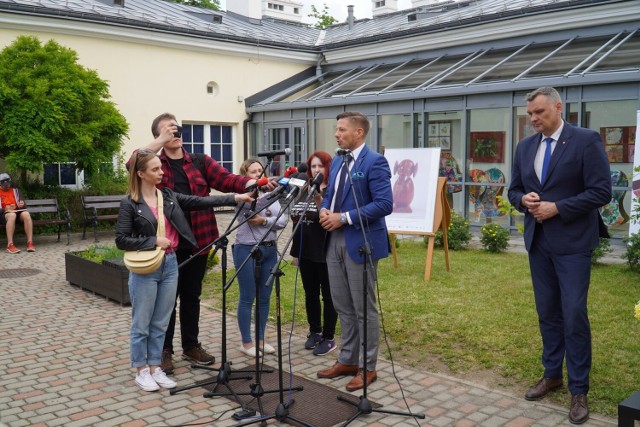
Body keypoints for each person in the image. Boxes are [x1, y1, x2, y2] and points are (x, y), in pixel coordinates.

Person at [507, 87, 611, 424]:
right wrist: (523, 200)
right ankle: (552, 374)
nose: (534, 119)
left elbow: (601, 191)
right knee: (548, 312)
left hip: (574, 245)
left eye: (539, 112)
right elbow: (513, 189)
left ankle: (579, 389)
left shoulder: (586, 140)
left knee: (573, 313)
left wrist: (558, 208)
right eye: (530, 114)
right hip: (539, 244)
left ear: (558, 106)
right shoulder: (525, 146)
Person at [116, 149, 253, 391]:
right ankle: (141, 370)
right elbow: (121, 240)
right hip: (146, 267)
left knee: (160, 321)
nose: (161, 173)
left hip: (169, 265)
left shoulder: (167, 196)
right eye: (155, 169)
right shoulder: (130, 203)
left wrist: (235, 198)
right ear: (141, 174)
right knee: (142, 322)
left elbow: (200, 201)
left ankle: (155, 367)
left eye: (161, 167)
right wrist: (153, 241)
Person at [138, 113, 264, 374]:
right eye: (167, 130)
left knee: (192, 295)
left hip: (199, 239)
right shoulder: (153, 163)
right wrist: (159, 142)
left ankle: (191, 345)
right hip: (168, 242)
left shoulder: (198, 161)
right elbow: (132, 163)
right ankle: (164, 350)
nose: (175, 132)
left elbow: (227, 180)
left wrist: (253, 182)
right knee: (167, 299)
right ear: (158, 136)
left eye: (176, 128)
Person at [317, 112, 393, 392]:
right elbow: (330, 194)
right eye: (336, 129)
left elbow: (385, 204)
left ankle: (367, 366)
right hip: (333, 239)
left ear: (359, 132)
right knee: (342, 305)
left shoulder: (375, 162)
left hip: (360, 241)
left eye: (341, 130)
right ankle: (347, 359)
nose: (337, 134)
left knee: (364, 309)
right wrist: (325, 209)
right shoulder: (337, 160)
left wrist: (344, 217)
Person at [234, 159, 287, 357]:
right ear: (245, 176)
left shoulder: (270, 195)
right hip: (246, 249)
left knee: (264, 298)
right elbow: (248, 216)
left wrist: (264, 221)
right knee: (247, 297)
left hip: (269, 249)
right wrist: (266, 212)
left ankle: (261, 340)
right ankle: (246, 343)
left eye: (260, 171)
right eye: (253, 172)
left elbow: (282, 220)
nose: (258, 174)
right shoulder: (244, 197)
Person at [289, 151, 339, 356]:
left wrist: (318, 198)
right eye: (313, 167)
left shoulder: (334, 191)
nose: (316, 170)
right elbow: (295, 213)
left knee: (328, 296)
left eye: (320, 166)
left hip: (325, 251)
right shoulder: (304, 189)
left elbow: (328, 217)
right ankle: (314, 331)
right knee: (311, 294)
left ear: (328, 168)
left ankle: (328, 337)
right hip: (305, 250)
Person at [0, 173, 35, 254]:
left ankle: (30, 242)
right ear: (0, 184)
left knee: (26, 214)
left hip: (17, 213)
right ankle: (10, 245)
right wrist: (5, 209)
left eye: (9, 184)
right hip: (4, 215)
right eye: (5, 185)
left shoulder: (16, 191)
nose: (8, 186)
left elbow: (23, 204)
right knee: (12, 215)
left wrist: (21, 204)